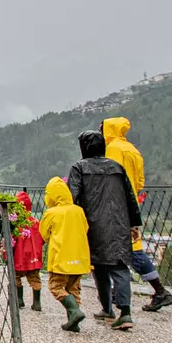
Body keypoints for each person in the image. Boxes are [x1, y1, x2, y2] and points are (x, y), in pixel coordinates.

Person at [68, 129, 143, 331]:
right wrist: (134, 223)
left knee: (99, 266)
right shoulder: (116, 167)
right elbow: (130, 197)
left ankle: (107, 308)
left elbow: (72, 197)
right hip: (118, 223)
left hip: (92, 225)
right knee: (119, 267)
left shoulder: (79, 168)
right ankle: (124, 312)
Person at [103, 116, 172, 311]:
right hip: (131, 203)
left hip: (116, 206)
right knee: (132, 247)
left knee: (117, 249)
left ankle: (152, 292)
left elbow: (110, 175)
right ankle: (153, 291)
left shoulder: (113, 149)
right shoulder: (133, 150)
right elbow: (140, 182)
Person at [37, 177, 91, 331]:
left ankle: (74, 312)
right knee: (74, 289)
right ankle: (73, 322)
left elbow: (44, 233)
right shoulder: (78, 210)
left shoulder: (52, 213)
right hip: (80, 258)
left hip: (61, 257)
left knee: (56, 286)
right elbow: (85, 229)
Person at [12, 190, 45, 311]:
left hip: (19, 257)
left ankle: (19, 300)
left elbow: (12, 240)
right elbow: (43, 237)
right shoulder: (36, 222)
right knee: (35, 279)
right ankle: (37, 303)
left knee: (15, 277)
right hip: (34, 257)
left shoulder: (15, 223)